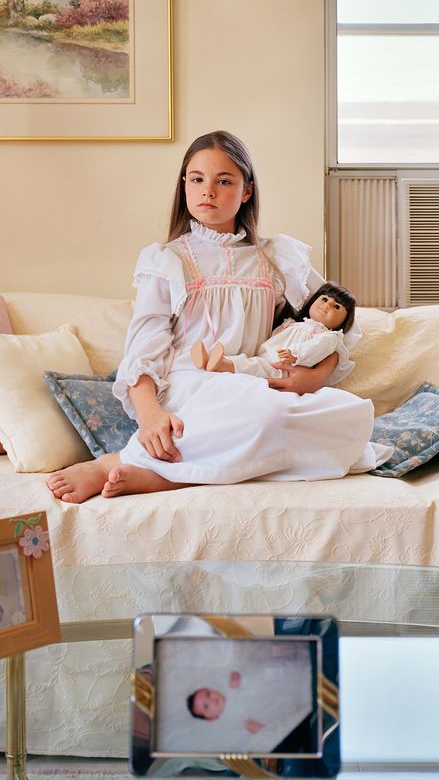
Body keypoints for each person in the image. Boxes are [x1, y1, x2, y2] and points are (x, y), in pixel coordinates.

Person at [46, 130, 391, 503]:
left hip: (252, 383)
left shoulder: (276, 257)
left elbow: (341, 318)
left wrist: (315, 376)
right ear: (185, 186)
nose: (207, 191)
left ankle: (173, 474)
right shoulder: (167, 260)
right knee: (262, 417)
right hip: (191, 385)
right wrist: (149, 416)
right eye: (197, 180)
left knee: (349, 415)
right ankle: (124, 463)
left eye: (223, 181)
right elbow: (145, 345)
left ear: (246, 191)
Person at [191, 281, 357, 382]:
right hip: (270, 357)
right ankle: (209, 359)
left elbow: (315, 349)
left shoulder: (328, 337)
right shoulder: (295, 324)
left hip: (286, 367)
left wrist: (296, 355)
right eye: (325, 299)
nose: (327, 305)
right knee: (250, 361)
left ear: (344, 320)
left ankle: (220, 364)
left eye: (336, 307)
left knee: (254, 366)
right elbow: (275, 337)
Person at [187, 670, 265, 735]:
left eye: (208, 694)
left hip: (259, 693)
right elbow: (245, 724)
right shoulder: (227, 718)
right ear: (210, 718)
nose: (211, 700)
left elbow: (234, 675)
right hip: (255, 712)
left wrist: (234, 677)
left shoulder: (226, 688)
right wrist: (253, 726)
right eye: (206, 706)